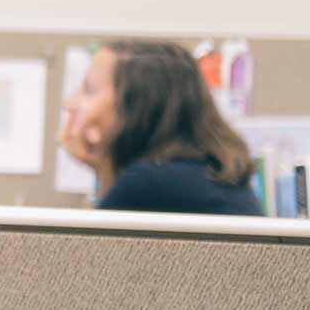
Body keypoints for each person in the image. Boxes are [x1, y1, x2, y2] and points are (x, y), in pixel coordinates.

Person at [65, 39, 262, 215]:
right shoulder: (202, 173)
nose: (69, 102)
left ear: (135, 106)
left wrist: (103, 167)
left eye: (89, 90)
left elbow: (90, 251)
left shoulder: (148, 184)